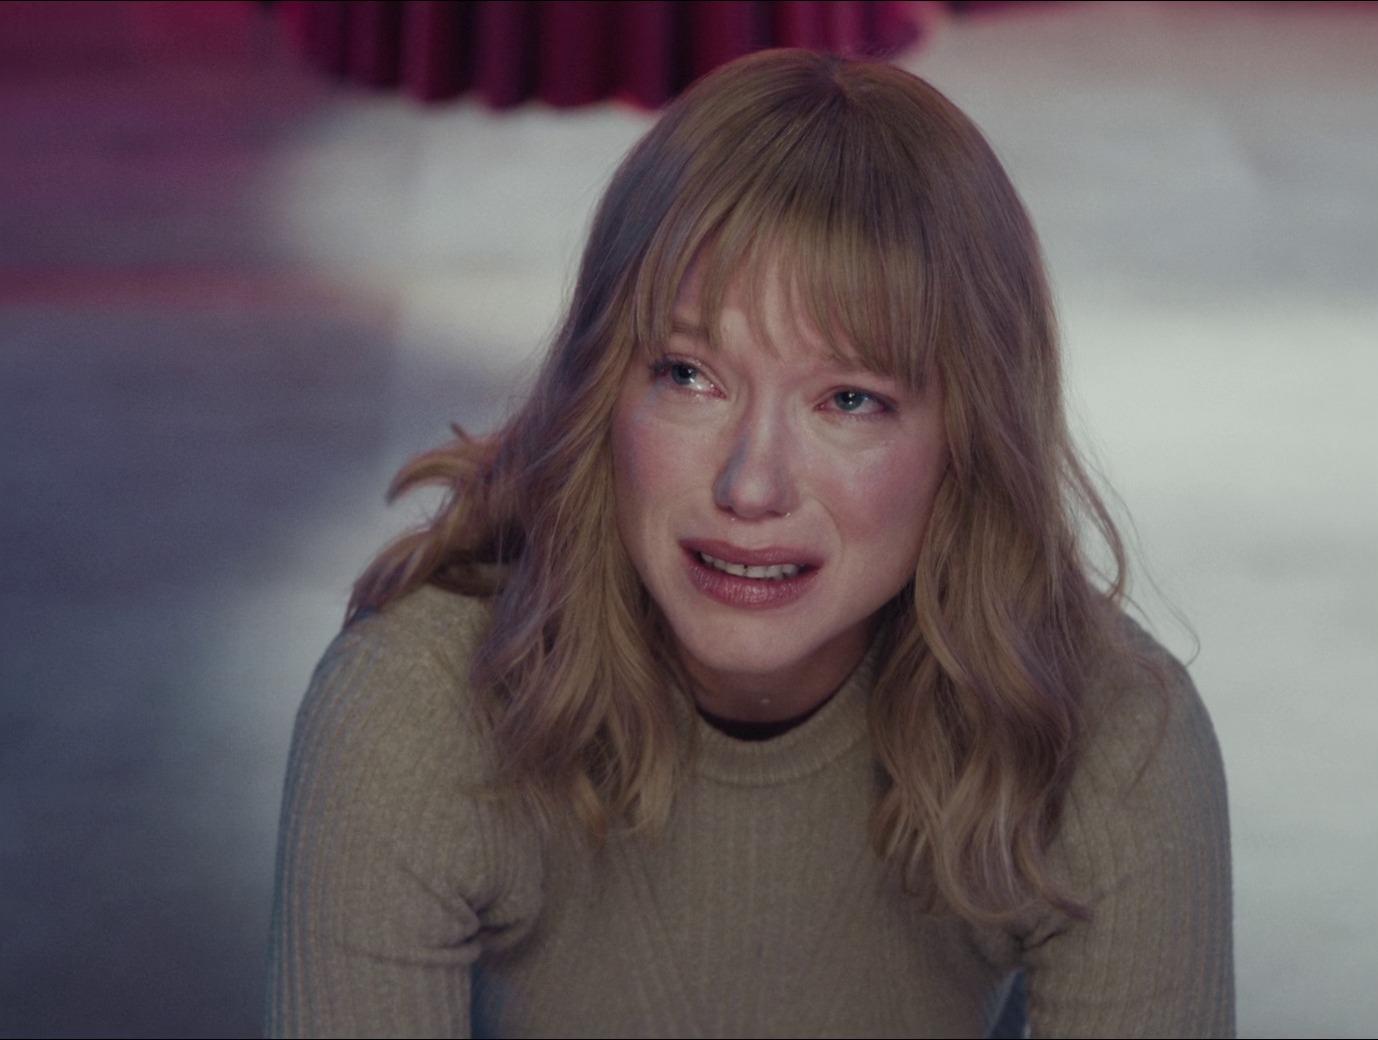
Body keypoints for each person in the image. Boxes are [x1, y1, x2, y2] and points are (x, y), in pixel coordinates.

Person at [265, 48, 1234, 1038]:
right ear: (602, 391)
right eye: (689, 375)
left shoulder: (1109, 737)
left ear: (969, 437)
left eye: (848, 399)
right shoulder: (419, 707)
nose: (750, 484)